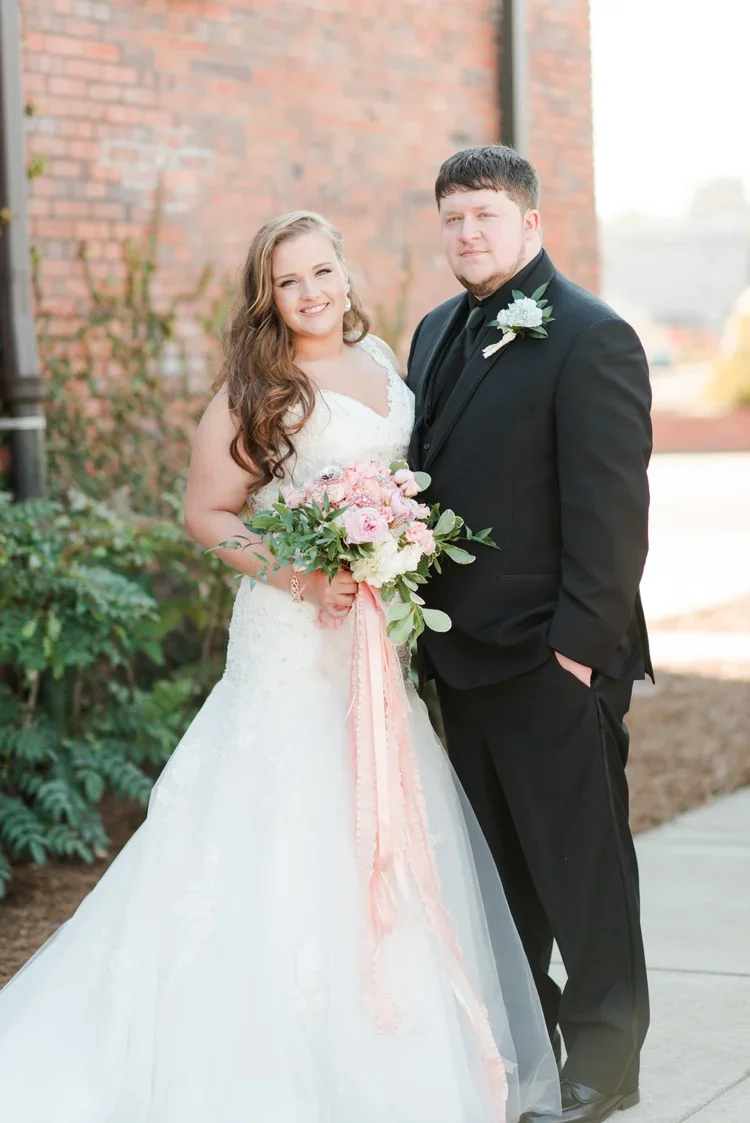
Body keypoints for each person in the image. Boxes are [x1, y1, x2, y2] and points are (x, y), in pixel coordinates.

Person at [0, 210, 560, 1123]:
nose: (312, 293)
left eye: (323, 271)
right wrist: (302, 575)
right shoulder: (257, 390)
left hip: (375, 646)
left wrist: (396, 553)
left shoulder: (386, 359)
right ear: (269, 296)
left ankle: (394, 1051)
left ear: (347, 271)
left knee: (383, 824)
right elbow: (208, 516)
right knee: (288, 827)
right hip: (293, 643)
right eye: (290, 280)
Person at [406, 145, 653, 1123]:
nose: (468, 232)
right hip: (459, 663)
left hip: (553, 658)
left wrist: (576, 650)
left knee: (582, 869)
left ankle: (606, 1064)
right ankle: (528, 1046)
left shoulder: (593, 334)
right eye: (454, 217)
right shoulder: (431, 332)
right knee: (500, 881)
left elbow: (611, 511)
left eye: (486, 215)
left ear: (530, 224)